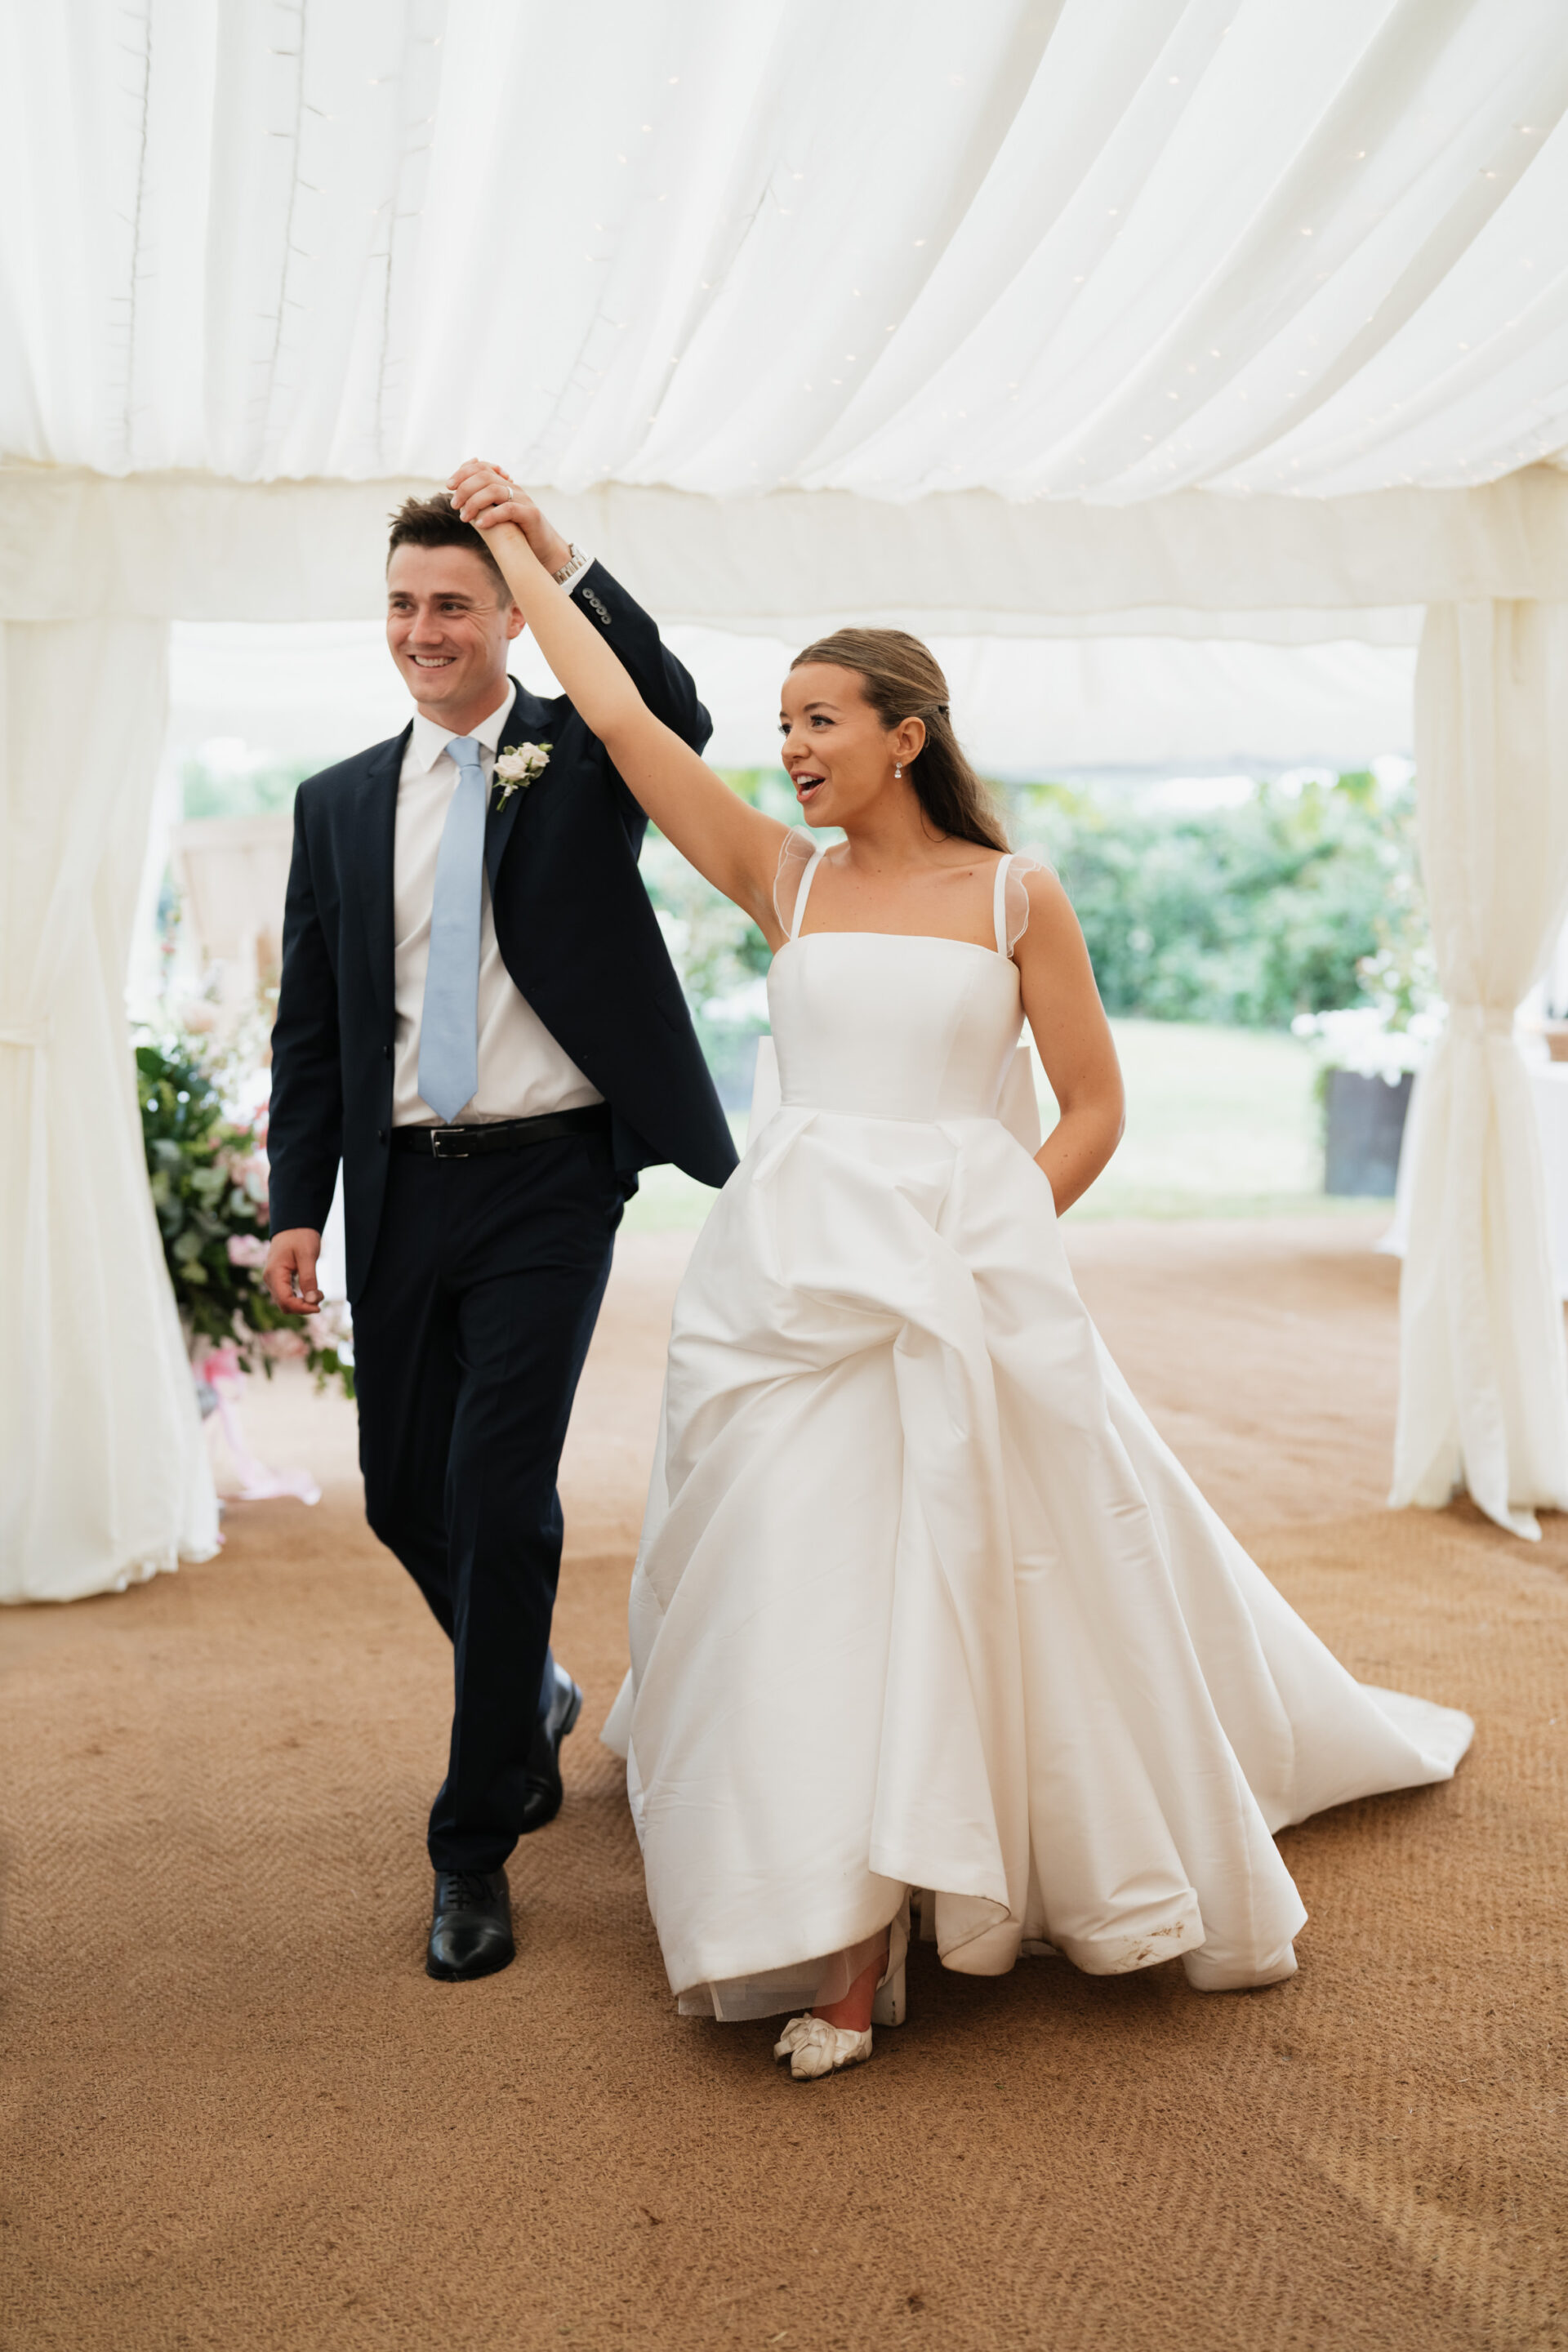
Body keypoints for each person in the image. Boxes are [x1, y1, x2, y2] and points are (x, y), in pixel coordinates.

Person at [448, 458, 1474, 2079]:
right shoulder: (782, 879)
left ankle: (874, 1950)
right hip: (795, 1285)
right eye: (781, 724)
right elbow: (632, 729)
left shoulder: (1015, 893)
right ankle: (832, 1907)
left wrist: (991, 1234)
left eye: (818, 721)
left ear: (905, 735)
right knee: (806, 1576)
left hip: (958, 1279)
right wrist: (526, 553)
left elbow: (1096, 1107)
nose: (787, 750)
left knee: (955, 1578)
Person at [263, 484, 735, 1983]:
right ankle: (525, 1688)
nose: (423, 633)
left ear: (511, 617)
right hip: (401, 1183)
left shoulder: (583, 750)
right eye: (403, 605)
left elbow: (681, 708)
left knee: (500, 1486)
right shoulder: (337, 800)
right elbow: (315, 1031)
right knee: (405, 1493)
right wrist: (295, 1206)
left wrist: (568, 551)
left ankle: (473, 1844)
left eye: (453, 605)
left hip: (550, 1176)